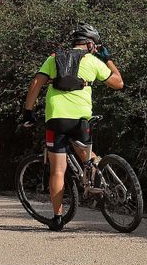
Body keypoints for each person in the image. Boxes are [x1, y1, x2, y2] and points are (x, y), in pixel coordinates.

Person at [21, 23, 123, 230]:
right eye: (95, 45)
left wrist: (28, 112)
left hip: (56, 118)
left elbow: (36, 84)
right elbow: (119, 83)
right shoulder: (92, 61)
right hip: (80, 118)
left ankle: (57, 218)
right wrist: (108, 58)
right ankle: (101, 182)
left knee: (57, 170)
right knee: (87, 155)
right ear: (89, 44)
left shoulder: (53, 58)